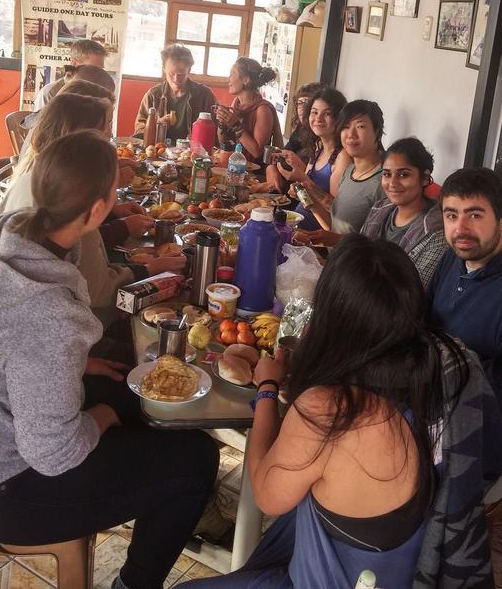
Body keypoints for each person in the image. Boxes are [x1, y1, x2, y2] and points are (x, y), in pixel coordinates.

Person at [187, 235, 502, 588]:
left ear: (331, 316)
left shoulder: (333, 410)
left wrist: (266, 389)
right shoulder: (453, 367)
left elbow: (266, 494)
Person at [0, 131, 219, 589]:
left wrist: (78, 365)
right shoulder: (47, 313)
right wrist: (98, 416)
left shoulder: (13, 230)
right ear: (97, 210)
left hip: (11, 422)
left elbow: (15, 348)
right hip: (13, 486)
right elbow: (51, 452)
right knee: (196, 458)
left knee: (138, 396)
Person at [1, 94, 185, 329]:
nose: (110, 134)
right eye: (104, 128)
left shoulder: (39, 178)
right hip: (80, 326)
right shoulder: (77, 216)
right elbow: (98, 295)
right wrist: (149, 270)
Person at [428, 167, 502, 408]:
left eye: (475, 215)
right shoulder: (454, 257)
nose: (460, 229)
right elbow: (423, 315)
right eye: (451, 215)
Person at [361, 137, 447, 289]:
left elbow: (412, 290)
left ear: (425, 178)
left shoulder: (437, 232)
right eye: (387, 174)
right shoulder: (379, 209)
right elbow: (357, 254)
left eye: (403, 175)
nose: (393, 183)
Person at [273, 88, 350, 231]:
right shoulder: (317, 148)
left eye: (327, 113)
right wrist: (297, 190)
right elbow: (308, 194)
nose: (318, 118)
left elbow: (334, 211)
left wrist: (302, 178)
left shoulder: (342, 156)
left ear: (339, 118)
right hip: (297, 222)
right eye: (314, 112)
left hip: (315, 233)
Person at [134, 43, 216, 142]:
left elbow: (215, 131)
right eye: (171, 73)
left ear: (189, 70)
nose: (176, 79)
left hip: (192, 153)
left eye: (181, 74)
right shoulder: (153, 95)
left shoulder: (204, 95)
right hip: (158, 151)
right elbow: (139, 130)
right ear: (164, 69)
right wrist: (157, 126)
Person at [329, 99, 385, 233]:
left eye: (360, 126)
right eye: (345, 127)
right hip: (334, 252)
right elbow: (337, 227)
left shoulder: (386, 180)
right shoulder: (350, 170)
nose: (351, 135)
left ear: (377, 132)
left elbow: (374, 243)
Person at [215, 57, 283, 165]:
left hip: (255, 174)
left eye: (232, 74)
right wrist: (222, 124)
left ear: (246, 80)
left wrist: (236, 124)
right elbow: (224, 143)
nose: (229, 79)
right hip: (235, 166)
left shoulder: (262, 110)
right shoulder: (236, 103)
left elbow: (257, 152)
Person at [266, 82, 322, 192]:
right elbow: (280, 155)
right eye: (299, 103)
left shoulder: (323, 140)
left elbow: (320, 185)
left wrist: (300, 167)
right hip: (290, 192)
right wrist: (272, 167)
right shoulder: (301, 129)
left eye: (307, 103)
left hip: (305, 199)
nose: (302, 108)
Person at [33, 38, 107, 110]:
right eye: (93, 69)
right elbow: (41, 122)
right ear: (74, 63)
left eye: (101, 70)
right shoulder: (49, 93)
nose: (98, 74)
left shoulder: (99, 93)